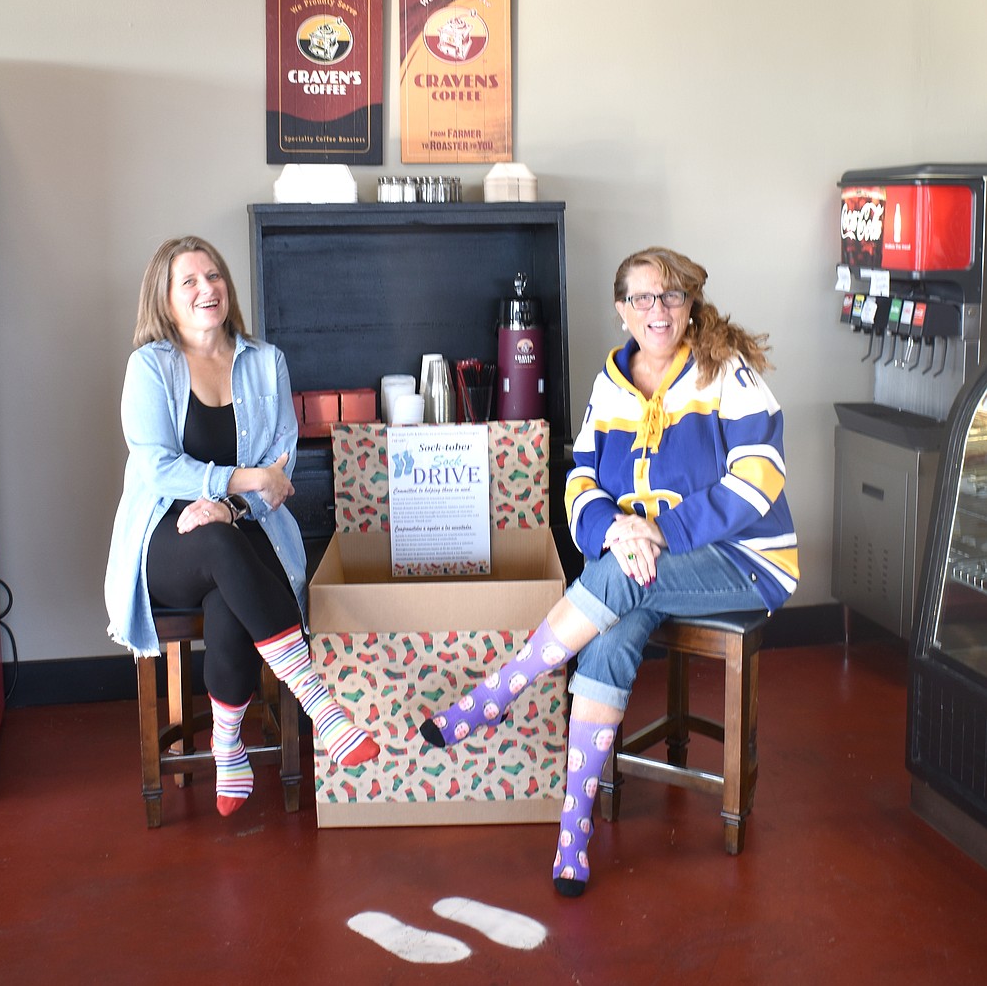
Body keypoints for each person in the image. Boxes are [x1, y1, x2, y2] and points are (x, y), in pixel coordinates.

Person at [420, 247, 798, 897]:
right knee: (613, 636)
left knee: (623, 579)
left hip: (741, 560)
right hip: (643, 561)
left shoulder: (725, 374)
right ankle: (574, 835)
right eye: (644, 298)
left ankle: (500, 691)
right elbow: (580, 480)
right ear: (621, 308)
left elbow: (759, 476)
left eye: (673, 296)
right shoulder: (609, 385)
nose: (660, 310)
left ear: (691, 304)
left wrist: (660, 530)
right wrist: (613, 530)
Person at [105, 236, 378, 816]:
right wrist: (238, 482)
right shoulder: (149, 366)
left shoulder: (264, 361)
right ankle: (318, 701)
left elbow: (278, 468)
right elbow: (156, 468)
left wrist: (231, 503)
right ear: (166, 299)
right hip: (164, 539)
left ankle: (227, 739)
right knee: (217, 547)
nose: (208, 289)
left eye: (215, 276)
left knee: (229, 578)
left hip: (242, 529)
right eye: (190, 282)